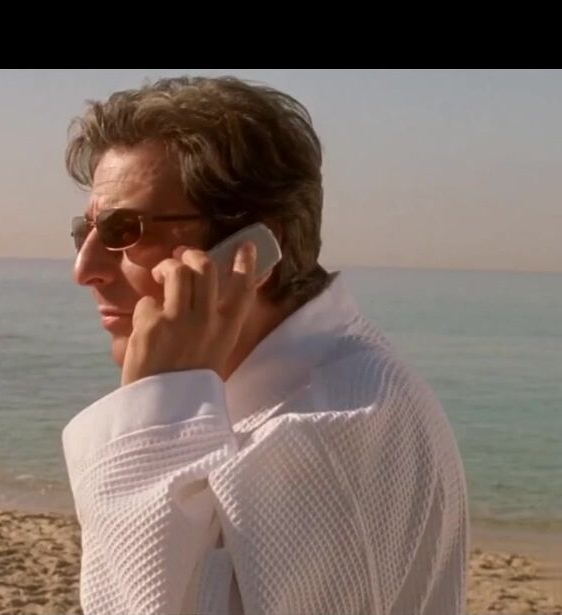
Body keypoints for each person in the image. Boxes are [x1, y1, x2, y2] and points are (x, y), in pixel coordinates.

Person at [61, 76, 469, 615]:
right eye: (84, 232)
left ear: (249, 250)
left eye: (123, 230)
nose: (84, 269)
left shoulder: (327, 428)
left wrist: (155, 407)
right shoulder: (310, 385)